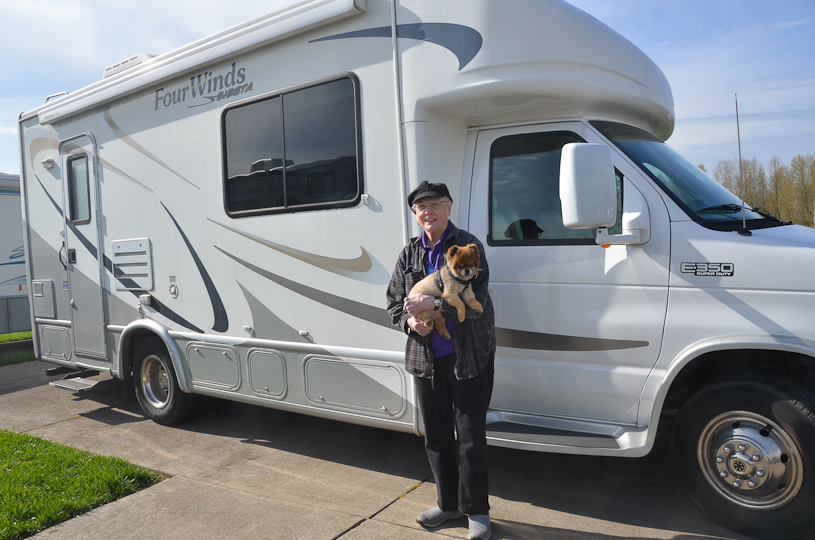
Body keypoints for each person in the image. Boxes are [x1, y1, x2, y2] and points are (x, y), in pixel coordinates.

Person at [386, 181, 496, 540]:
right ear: (416, 215)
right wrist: (410, 322)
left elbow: (477, 300)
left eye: (435, 204)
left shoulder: (468, 246)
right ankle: (448, 504)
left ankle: (476, 511)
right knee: (436, 436)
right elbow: (393, 303)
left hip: (468, 357)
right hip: (426, 360)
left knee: (471, 438)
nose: (428, 211)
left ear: (449, 207)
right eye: (421, 207)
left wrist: (433, 304)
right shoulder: (409, 253)